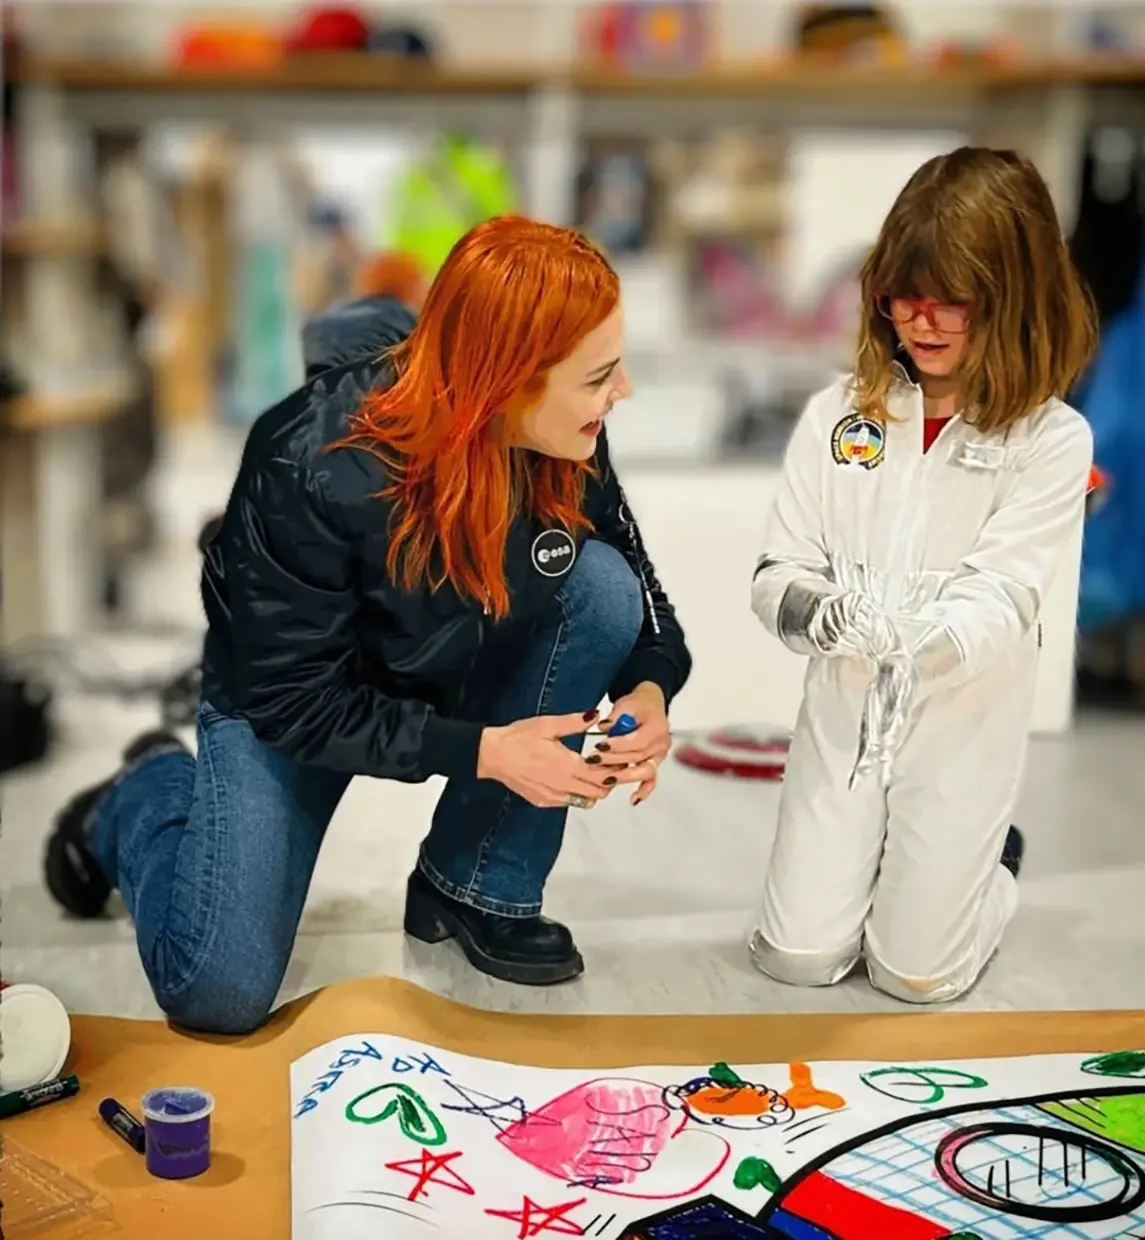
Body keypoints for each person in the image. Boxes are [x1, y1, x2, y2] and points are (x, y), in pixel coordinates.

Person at [44, 216, 691, 1034]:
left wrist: (650, 690)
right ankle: (141, 793)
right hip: (293, 704)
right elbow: (291, 698)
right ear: (509, 381)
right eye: (599, 376)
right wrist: (489, 751)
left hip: (443, 653)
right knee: (217, 991)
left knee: (599, 587)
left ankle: (473, 886)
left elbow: (646, 606)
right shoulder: (304, 461)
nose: (622, 391)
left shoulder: (567, 436)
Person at [749, 147, 1098, 1004]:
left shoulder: (1053, 441)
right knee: (797, 959)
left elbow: (1006, 594)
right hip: (845, 704)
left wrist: (921, 638)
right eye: (905, 296)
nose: (924, 322)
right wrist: (821, 616)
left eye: (957, 302)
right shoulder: (842, 415)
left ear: (1017, 299)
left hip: (963, 714)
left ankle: (990, 873)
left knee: (916, 977)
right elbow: (775, 571)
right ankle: (876, 868)